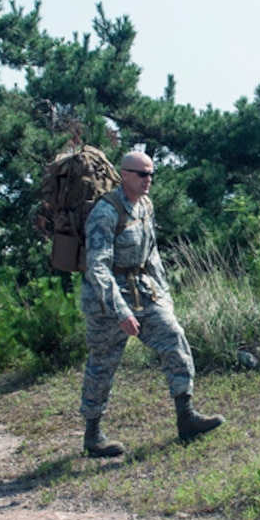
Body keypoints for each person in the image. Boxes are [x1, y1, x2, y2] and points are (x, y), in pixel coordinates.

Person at [78, 150, 223, 457]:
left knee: (174, 336)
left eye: (151, 174)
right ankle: (93, 434)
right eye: (142, 174)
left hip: (143, 291)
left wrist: (164, 296)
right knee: (102, 364)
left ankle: (186, 416)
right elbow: (97, 267)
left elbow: (152, 253)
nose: (148, 180)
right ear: (125, 175)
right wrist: (121, 312)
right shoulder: (105, 213)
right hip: (106, 302)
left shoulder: (145, 205)